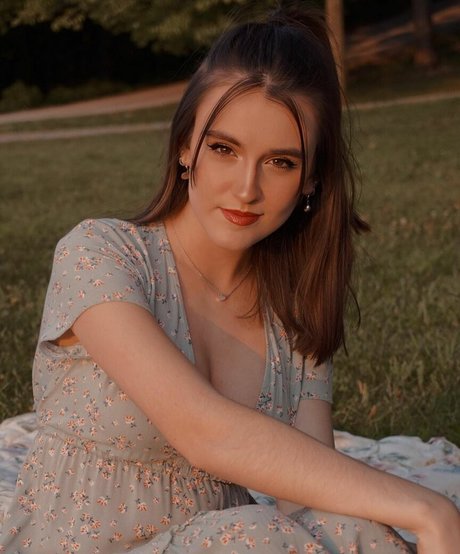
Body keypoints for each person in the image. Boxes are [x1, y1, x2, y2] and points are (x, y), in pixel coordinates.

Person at [1, 6, 459, 554]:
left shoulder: (290, 311)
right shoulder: (101, 254)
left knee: (350, 524)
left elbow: (309, 493)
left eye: (281, 162)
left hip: (220, 544)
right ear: (185, 147)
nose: (246, 189)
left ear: (311, 180)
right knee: (260, 533)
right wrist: (428, 507)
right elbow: (204, 432)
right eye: (224, 149)